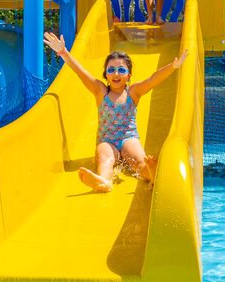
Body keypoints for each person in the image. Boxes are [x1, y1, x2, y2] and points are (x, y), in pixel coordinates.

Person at [43, 31, 187, 193]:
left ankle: (152, 175)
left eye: (121, 70)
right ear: (105, 74)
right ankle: (104, 181)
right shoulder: (100, 91)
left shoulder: (134, 92)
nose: (116, 73)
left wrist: (173, 66)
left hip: (128, 137)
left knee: (140, 161)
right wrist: (63, 52)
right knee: (105, 158)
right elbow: (80, 71)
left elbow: (153, 79)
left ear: (129, 75)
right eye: (111, 70)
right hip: (106, 140)